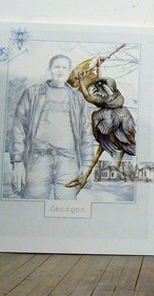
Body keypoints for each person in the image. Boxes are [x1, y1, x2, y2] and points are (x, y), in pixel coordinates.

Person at [9, 54, 94, 199]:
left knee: (65, 206)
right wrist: (17, 161)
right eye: (56, 67)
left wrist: (87, 164)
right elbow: (18, 128)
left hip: (68, 162)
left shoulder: (77, 98)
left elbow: (86, 133)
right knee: (33, 204)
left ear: (69, 72)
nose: (60, 71)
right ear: (50, 69)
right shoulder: (33, 93)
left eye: (64, 68)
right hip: (38, 160)